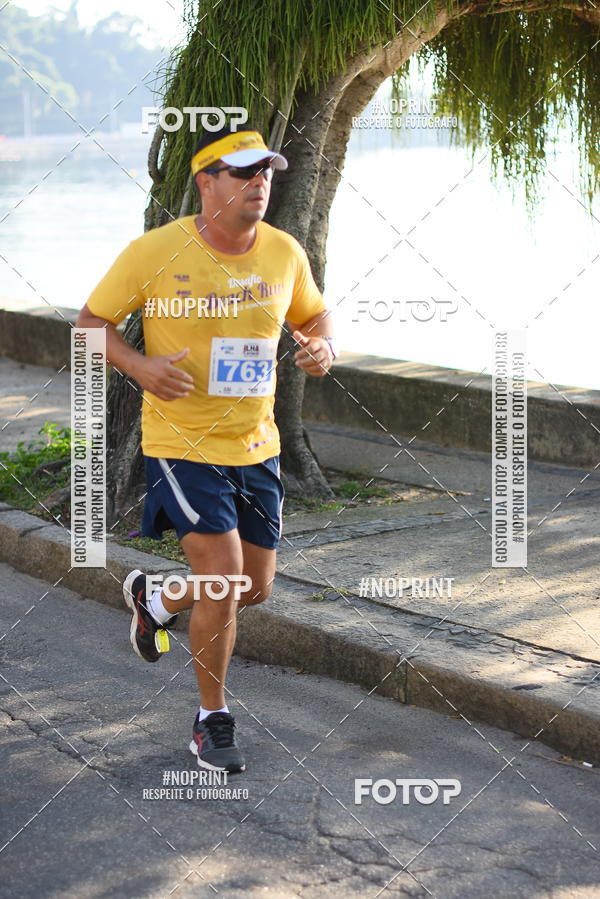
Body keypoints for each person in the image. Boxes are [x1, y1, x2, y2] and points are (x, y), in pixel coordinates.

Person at [76, 124, 337, 774]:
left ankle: (158, 599)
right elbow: (89, 327)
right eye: (243, 171)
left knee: (253, 586)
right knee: (222, 576)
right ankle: (210, 721)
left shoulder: (283, 252)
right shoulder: (156, 252)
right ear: (206, 181)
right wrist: (139, 367)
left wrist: (322, 348)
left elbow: (314, 317)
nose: (259, 183)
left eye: (266, 172)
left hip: (257, 447)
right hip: (182, 442)